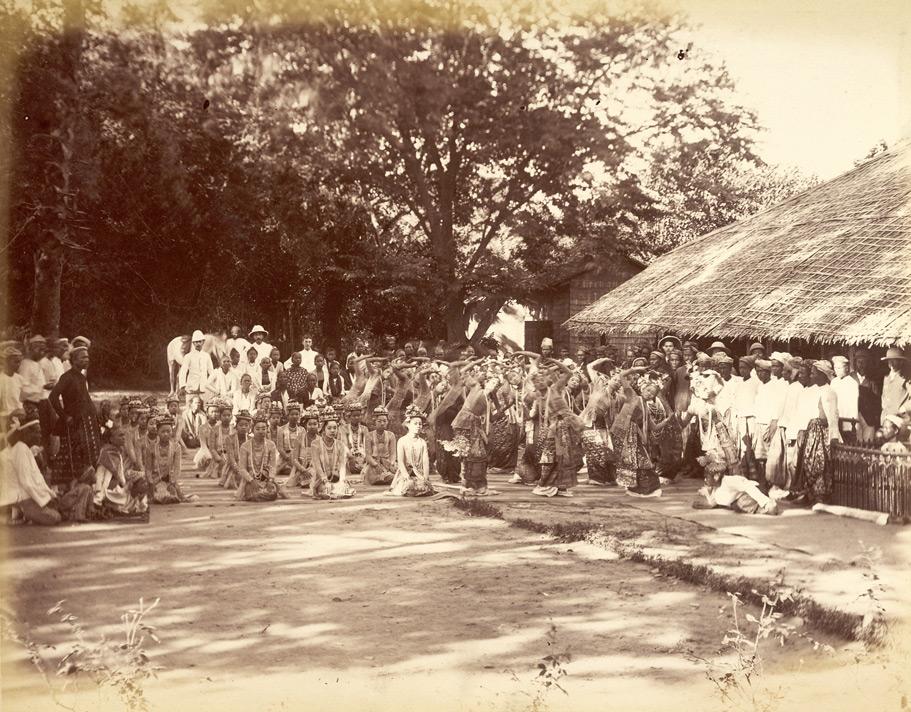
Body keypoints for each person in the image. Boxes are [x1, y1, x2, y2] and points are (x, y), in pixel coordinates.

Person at [48, 346, 101, 487]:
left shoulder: (81, 377)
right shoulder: (67, 377)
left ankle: (87, 483)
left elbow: (84, 399)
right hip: (74, 423)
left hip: (85, 422)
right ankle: (70, 485)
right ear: (74, 360)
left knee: (87, 453)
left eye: (87, 357)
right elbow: (53, 397)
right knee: (73, 454)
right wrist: (65, 416)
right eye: (83, 357)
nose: (86, 360)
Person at [791, 361, 841, 504]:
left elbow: (832, 416)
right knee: (807, 462)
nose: (811, 376)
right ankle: (809, 494)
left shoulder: (829, 391)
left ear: (823, 375)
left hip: (822, 433)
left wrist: (833, 437)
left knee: (820, 464)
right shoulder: (812, 390)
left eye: (813, 373)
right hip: (811, 431)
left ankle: (820, 496)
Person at [1, 414, 62, 524]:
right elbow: (27, 482)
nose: (39, 435)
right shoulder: (20, 449)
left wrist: (48, 494)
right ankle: (23, 512)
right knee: (55, 517)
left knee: (57, 509)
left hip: (22, 497)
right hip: (23, 498)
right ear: (24, 432)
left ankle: (20, 513)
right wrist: (45, 499)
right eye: (35, 431)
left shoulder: (20, 448)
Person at [238, 413, 288, 501]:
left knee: (271, 493)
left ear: (267, 429)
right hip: (250, 478)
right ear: (252, 430)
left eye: (263, 429)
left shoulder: (271, 444)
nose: (261, 431)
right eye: (257, 429)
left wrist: (270, 480)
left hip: (266, 478)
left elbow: (273, 466)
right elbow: (242, 468)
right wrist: (252, 481)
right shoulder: (245, 446)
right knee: (253, 494)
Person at [147, 415, 196, 504]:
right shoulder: (151, 448)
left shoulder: (176, 447)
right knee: (161, 495)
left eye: (168, 431)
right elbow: (148, 468)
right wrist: (151, 482)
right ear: (157, 432)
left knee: (172, 492)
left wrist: (173, 481)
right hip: (155, 479)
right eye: (163, 432)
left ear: (172, 432)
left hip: (169, 479)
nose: (166, 434)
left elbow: (177, 468)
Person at [388, 406, 435, 496]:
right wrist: (406, 477)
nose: (418, 426)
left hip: (419, 473)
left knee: (424, 487)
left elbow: (425, 462)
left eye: (420, 424)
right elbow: (401, 462)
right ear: (408, 424)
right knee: (408, 486)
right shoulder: (402, 441)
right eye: (415, 423)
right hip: (406, 474)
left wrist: (425, 478)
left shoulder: (422, 442)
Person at [310, 406, 355, 499]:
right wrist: (324, 480)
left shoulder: (340, 444)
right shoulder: (315, 444)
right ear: (323, 429)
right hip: (321, 478)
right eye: (329, 428)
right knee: (326, 489)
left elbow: (342, 465)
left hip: (336, 477)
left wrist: (342, 479)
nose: (332, 431)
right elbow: (317, 466)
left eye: (335, 428)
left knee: (342, 488)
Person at [285, 406, 320, 490]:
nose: (312, 426)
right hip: (300, 468)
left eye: (315, 424)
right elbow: (294, 459)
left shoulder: (320, 439)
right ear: (305, 425)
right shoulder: (299, 438)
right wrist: (303, 470)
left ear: (318, 425)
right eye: (310, 424)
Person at [851, 348, 881, 441]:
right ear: (855, 363)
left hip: (868, 418)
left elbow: (877, 400)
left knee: (868, 443)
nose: (861, 365)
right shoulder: (850, 378)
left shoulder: (872, 380)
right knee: (854, 442)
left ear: (868, 363)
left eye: (864, 362)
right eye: (859, 362)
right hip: (853, 416)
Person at [179, 330, 214, 405]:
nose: (198, 344)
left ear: (203, 342)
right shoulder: (188, 356)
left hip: (203, 388)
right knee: (190, 408)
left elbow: (211, 371)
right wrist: (182, 386)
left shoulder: (206, 356)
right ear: (193, 343)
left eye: (199, 341)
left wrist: (213, 385)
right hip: (191, 388)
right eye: (196, 342)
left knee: (204, 408)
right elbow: (183, 371)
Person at [830, 355, 860, 443]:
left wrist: (853, 424)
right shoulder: (834, 382)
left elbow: (854, 406)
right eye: (835, 368)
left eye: (839, 368)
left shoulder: (852, 383)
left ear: (846, 368)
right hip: (836, 419)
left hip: (847, 420)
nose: (836, 370)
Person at [364, 405, 397, 485]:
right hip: (374, 464)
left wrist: (391, 463)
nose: (382, 423)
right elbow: (368, 456)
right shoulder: (369, 435)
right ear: (374, 422)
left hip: (387, 463)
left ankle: (387, 477)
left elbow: (393, 453)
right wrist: (375, 465)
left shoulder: (391, 435)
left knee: (397, 474)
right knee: (375, 475)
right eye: (379, 421)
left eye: (384, 421)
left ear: (387, 422)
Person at [220, 409, 250, 490]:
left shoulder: (251, 439)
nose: (244, 427)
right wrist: (238, 469)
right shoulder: (229, 438)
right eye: (241, 425)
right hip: (234, 466)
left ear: (249, 427)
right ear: (236, 426)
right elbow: (231, 458)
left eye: (246, 425)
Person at [341, 401, 368, 479]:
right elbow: (345, 445)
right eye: (354, 416)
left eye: (358, 415)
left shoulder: (364, 429)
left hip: (362, 457)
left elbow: (367, 445)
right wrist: (351, 457)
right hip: (350, 457)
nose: (357, 418)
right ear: (349, 417)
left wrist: (365, 457)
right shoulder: (343, 428)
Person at [881, 347, 908, 424]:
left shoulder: (905, 378)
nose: (891, 363)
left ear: (901, 362)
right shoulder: (886, 378)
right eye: (889, 361)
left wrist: (903, 408)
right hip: (886, 419)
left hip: (900, 420)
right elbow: (884, 397)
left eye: (894, 360)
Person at [276, 401, 302, 477]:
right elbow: (280, 448)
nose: (294, 416)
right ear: (287, 415)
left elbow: (303, 447)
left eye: (297, 414)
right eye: (292, 414)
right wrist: (288, 458)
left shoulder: (302, 430)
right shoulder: (281, 429)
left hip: (298, 457)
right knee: (288, 470)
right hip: (285, 458)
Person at [0, 344, 24, 427]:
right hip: (5, 419)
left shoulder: (19, 379)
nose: (18, 364)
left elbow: (22, 399)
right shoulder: (1, 379)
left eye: (19, 362)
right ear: (6, 362)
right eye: (16, 362)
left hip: (19, 417)